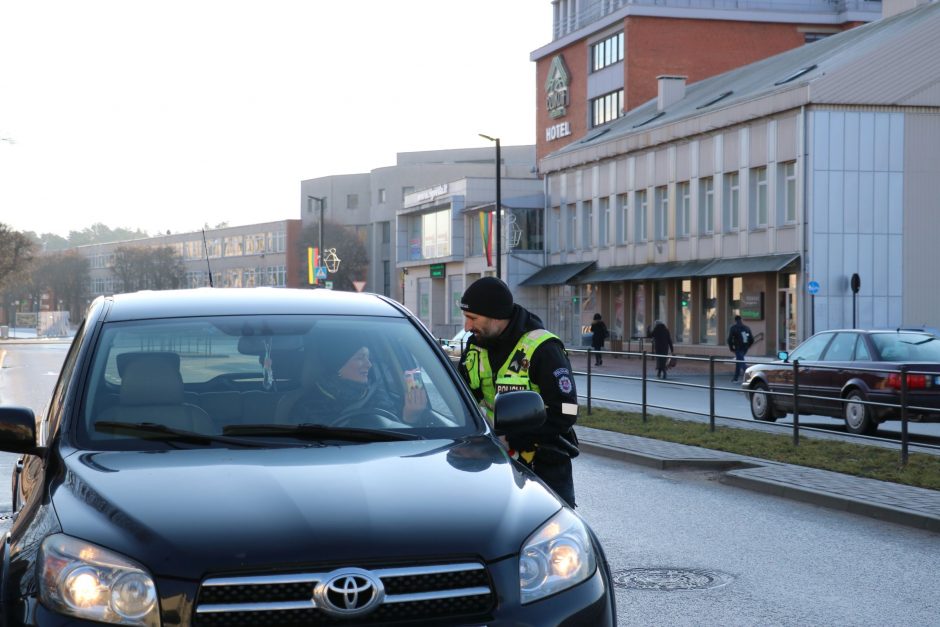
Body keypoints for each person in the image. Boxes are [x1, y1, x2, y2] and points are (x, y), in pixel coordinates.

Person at [458, 277, 580, 508]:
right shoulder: (475, 347)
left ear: (496, 315)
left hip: (544, 467)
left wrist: (516, 437)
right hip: (492, 464)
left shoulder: (543, 348)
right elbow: (462, 403)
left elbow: (568, 410)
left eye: (472, 318)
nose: (467, 327)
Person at [289, 329, 428, 425]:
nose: (369, 365)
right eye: (360, 358)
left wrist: (409, 417)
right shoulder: (308, 408)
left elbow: (397, 443)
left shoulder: (378, 395)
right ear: (337, 365)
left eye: (369, 357)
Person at [727, 314, 755, 382]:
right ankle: (736, 377)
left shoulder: (733, 328)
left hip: (738, 347)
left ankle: (750, 376)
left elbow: (729, 339)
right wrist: (748, 346)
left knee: (741, 362)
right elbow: (751, 339)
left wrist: (731, 348)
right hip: (745, 348)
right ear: (741, 320)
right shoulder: (746, 327)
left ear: (735, 320)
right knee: (738, 361)